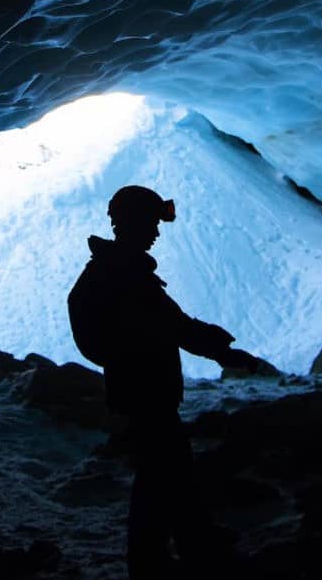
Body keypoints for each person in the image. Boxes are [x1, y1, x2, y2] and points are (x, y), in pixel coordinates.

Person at [67, 185, 261, 578]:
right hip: (146, 392)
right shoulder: (125, 275)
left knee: (168, 470)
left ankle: (189, 542)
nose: (157, 231)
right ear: (133, 223)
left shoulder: (117, 269)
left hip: (139, 389)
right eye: (152, 222)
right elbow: (174, 326)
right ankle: (156, 557)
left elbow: (168, 325)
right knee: (162, 473)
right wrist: (221, 350)